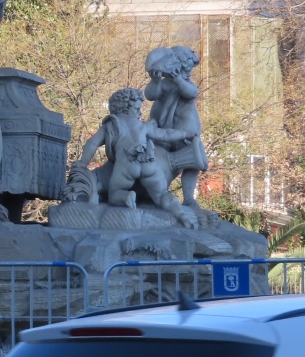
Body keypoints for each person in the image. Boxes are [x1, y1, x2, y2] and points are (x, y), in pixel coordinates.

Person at [70, 88, 197, 229]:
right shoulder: (142, 125)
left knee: (114, 194)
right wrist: (185, 133)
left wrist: (83, 162)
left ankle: (127, 197)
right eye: (137, 109)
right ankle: (181, 214)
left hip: (127, 163)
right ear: (125, 109)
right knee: (162, 194)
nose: (140, 113)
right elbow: (166, 135)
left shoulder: (112, 125)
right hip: (148, 161)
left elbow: (92, 143)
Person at [143, 46, 207, 207]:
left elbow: (191, 93)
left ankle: (189, 197)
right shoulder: (164, 84)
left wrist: (179, 80)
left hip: (184, 131)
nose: (189, 73)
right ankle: (155, 192)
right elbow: (150, 95)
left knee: (193, 161)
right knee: (157, 160)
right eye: (186, 69)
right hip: (162, 128)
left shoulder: (186, 84)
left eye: (189, 70)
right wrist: (155, 80)